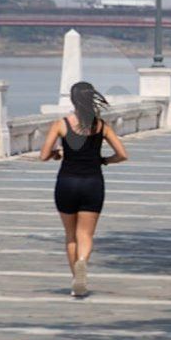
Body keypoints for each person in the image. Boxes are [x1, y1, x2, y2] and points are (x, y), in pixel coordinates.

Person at [40, 81, 129, 297]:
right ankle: (82, 262)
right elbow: (122, 155)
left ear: (72, 99)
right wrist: (104, 160)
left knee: (71, 235)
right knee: (86, 234)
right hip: (93, 182)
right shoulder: (101, 126)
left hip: (67, 182)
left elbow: (43, 155)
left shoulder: (61, 124)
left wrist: (57, 154)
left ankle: (75, 280)